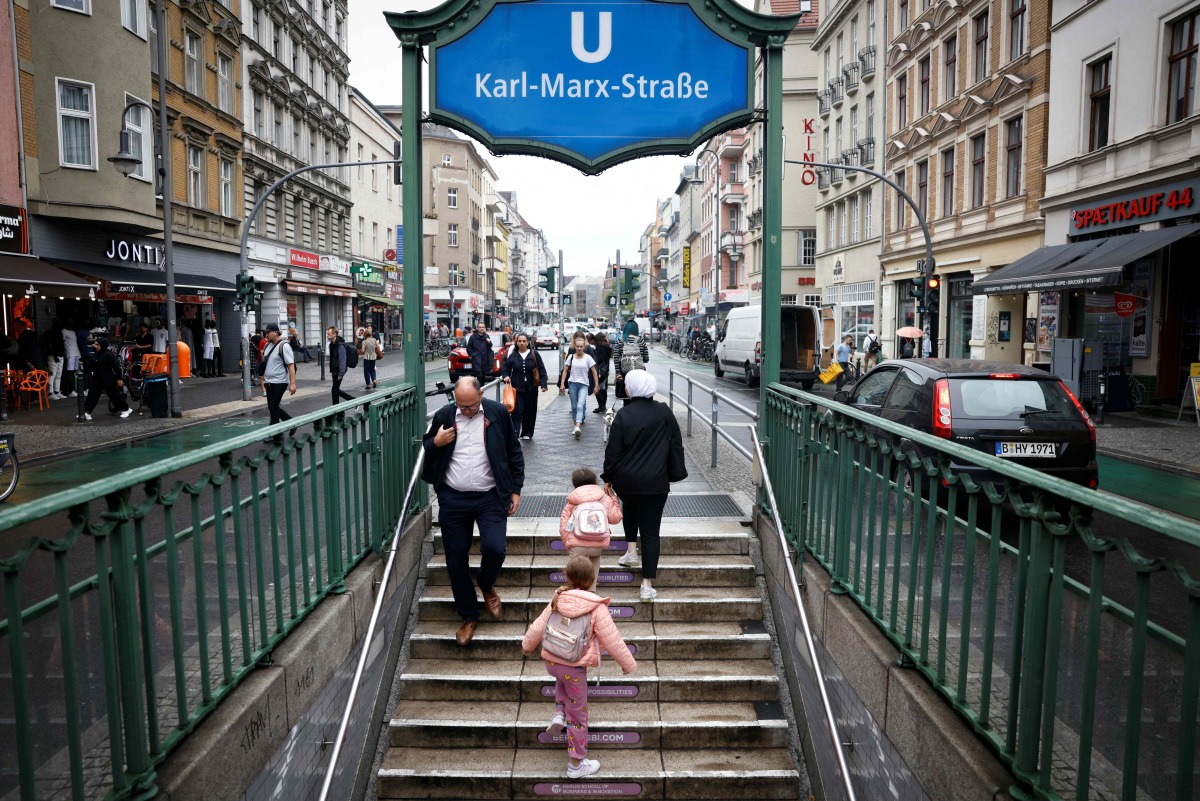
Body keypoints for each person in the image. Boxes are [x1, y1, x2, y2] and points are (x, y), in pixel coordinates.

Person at [422, 376, 525, 646]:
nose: (466, 412)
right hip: (454, 499)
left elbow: (514, 452)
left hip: (491, 496)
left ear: (480, 395)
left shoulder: (497, 413)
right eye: (461, 407)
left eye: (471, 407)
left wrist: (515, 489)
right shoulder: (446, 414)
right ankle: (469, 616)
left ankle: (487, 584)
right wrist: (437, 441)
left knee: (495, 549)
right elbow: (426, 447)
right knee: (455, 562)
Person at [522, 554, 636, 780]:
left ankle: (558, 713)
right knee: (578, 715)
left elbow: (538, 626)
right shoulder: (595, 606)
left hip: (553, 662)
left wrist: (527, 646)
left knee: (561, 680)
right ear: (592, 579)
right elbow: (613, 640)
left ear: (567, 576)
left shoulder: (558, 598)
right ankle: (576, 763)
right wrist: (628, 665)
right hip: (574, 666)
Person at [602, 370, 686, 601]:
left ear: (631, 388)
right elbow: (675, 441)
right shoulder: (663, 412)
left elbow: (613, 450)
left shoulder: (623, 415)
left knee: (629, 508)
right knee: (651, 533)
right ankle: (646, 585)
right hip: (656, 482)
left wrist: (607, 476)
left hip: (626, 481)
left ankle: (630, 552)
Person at [558, 468, 622, 587]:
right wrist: (613, 498)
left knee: (575, 569)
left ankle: (575, 591)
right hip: (597, 542)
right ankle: (592, 590)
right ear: (595, 483)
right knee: (595, 559)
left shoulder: (573, 501)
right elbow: (616, 517)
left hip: (577, 544)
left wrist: (567, 543)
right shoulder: (604, 498)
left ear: (574, 485)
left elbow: (563, 525)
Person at [501, 331, 548, 440]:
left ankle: (527, 432)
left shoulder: (534, 354)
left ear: (528, 343)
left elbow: (541, 370)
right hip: (517, 388)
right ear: (516, 343)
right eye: (519, 341)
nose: (521, 343)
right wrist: (506, 376)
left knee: (530, 411)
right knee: (517, 411)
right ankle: (515, 432)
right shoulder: (513, 356)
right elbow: (505, 369)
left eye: (524, 341)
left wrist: (543, 384)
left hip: (531, 388)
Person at [558, 334, 599, 440]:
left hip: (584, 385)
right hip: (572, 384)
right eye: (577, 346)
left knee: (580, 405)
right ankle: (575, 425)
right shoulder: (571, 357)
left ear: (584, 347)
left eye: (581, 346)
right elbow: (565, 370)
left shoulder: (588, 358)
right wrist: (562, 384)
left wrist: (596, 385)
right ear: (574, 347)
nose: (579, 348)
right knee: (574, 407)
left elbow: (594, 372)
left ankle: (577, 427)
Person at [83, 337, 132, 420]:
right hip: (97, 378)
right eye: (95, 344)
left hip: (108, 378)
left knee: (114, 396)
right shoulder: (96, 353)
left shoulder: (109, 354)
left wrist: (119, 379)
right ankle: (87, 412)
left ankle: (126, 409)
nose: (95, 346)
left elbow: (116, 367)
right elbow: (93, 364)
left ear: (102, 345)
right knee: (92, 395)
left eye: (97, 344)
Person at [259, 323, 296, 427]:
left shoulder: (284, 346)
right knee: (272, 407)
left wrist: (292, 384)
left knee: (273, 406)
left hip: (280, 381)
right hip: (269, 381)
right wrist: (262, 375)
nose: (266, 335)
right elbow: (266, 361)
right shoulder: (267, 345)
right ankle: (290, 422)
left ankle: (275, 434)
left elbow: (291, 366)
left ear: (275, 333)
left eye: (268, 333)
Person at [610, 332, 649, 405]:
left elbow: (616, 359)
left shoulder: (620, 341)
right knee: (639, 397)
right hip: (639, 374)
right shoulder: (641, 341)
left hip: (625, 374)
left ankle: (627, 414)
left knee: (627, 399)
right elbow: (646, 359)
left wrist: (618, 374)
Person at [326, 326, 355, 404]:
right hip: (334, 370)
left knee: (334, 390)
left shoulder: (340, 345)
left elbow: (343, 360)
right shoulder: (332, 344)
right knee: (335, 389)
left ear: (334, 334)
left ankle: (336, 410)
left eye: (329, 334)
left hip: (339, 371)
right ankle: (352, 399)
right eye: (327, 334)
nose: (327, 335)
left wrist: (341, 374)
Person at [591, 332, 613, 415]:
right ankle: (603, 406)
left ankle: (601, 407)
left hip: (600, 370)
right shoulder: (607, 347)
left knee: (598, 388)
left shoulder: (600, 348)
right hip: (605, 370)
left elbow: (599, 359)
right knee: (603, 389)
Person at [45, 319, 66, 399]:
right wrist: (54, 355)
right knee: (53, 374)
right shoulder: (51, 333)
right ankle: (50, 393)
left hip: (59, 354)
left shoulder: (58, 332)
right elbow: (49, 345)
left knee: (58, 374)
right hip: (54, 355)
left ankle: (56, 391)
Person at [62, 320, 82, 398]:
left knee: (75, 373)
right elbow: (62, 343)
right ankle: (70, 391)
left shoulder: (73, 332)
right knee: (70, 372)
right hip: (70, 354)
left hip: (76, 353)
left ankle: (74, 390)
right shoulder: (63, 331)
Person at [360, 324, 381, 390]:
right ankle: (374, 380)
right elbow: (377, 346)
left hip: (367, 357)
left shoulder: (364, 342)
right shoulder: (374, 340)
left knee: (366, 371)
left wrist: (362, 350)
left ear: (365, 335)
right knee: (372, 369)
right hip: (373, 357)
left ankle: (368, 384)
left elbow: (363, 350)